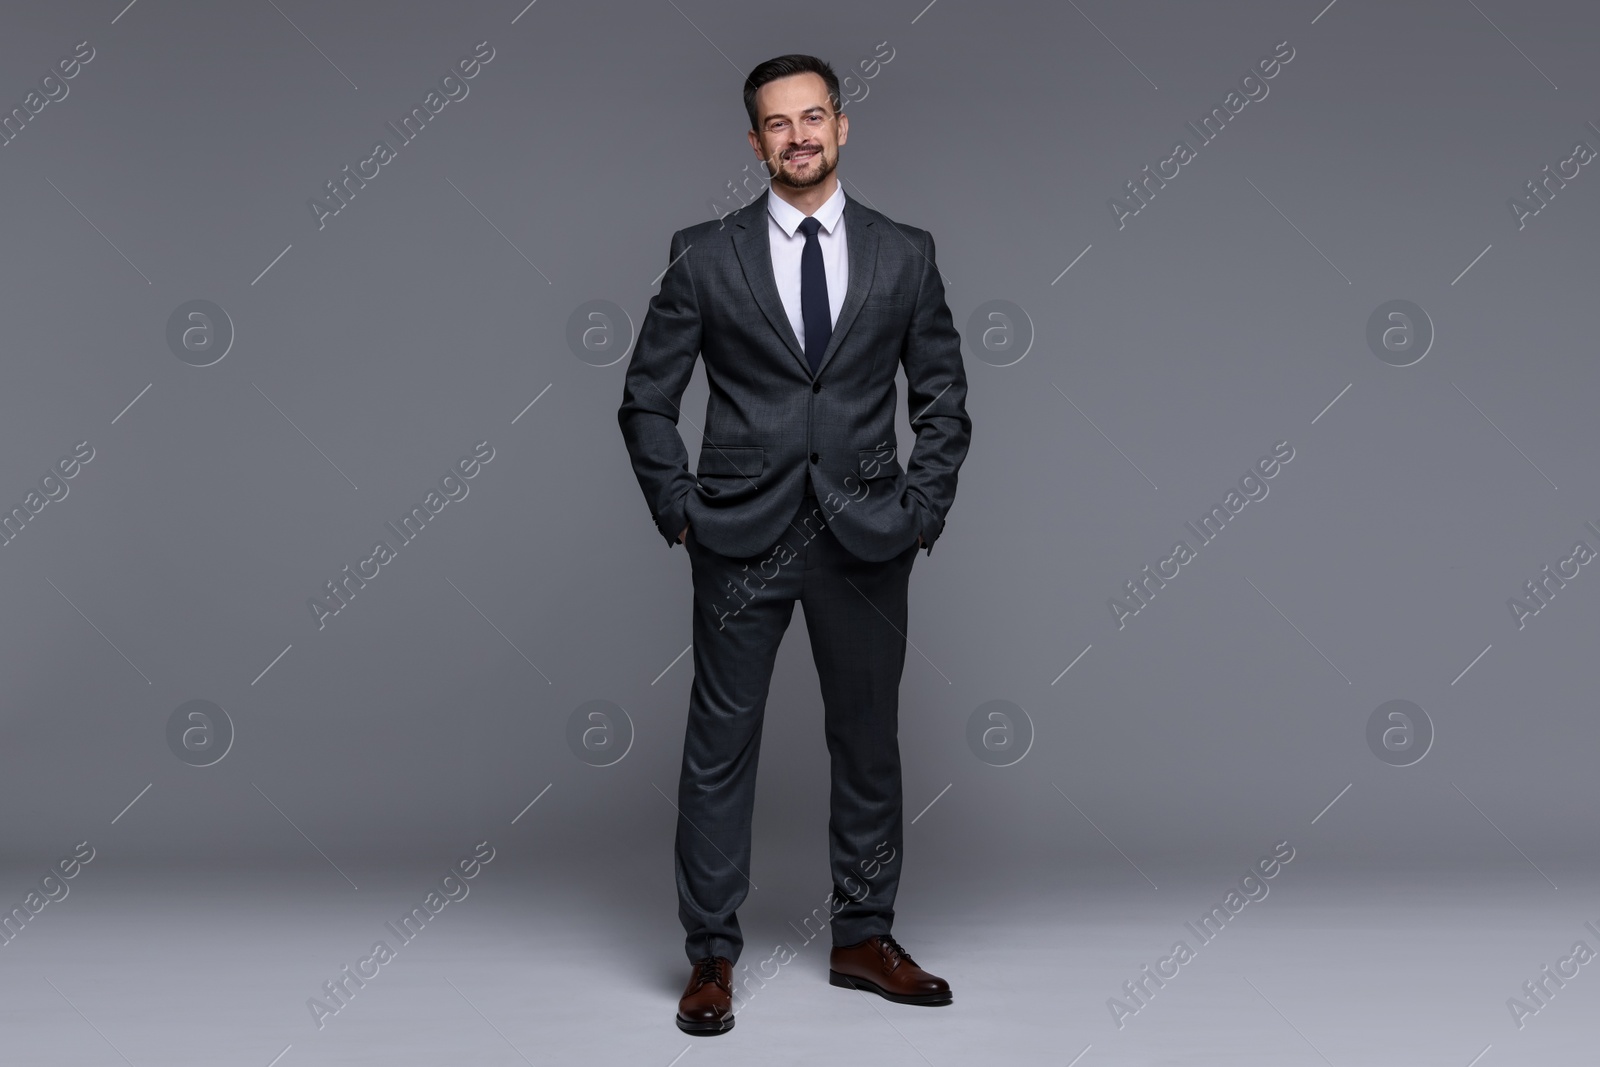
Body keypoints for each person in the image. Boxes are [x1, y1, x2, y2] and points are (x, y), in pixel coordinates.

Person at [617, 52, 971, 1036]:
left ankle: (863, 936)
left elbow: (941, 397)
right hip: (738, 535)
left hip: (867, 536)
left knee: (866, 744)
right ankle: (710, 957)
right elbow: (646, 397)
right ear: (754, 141)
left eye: (814, 116)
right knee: (718, 749)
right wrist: (680, 508)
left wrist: (921, 510)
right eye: (778, 122)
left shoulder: (906, 253)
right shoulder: (703, 252)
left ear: (842, 127)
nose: (799, 135)